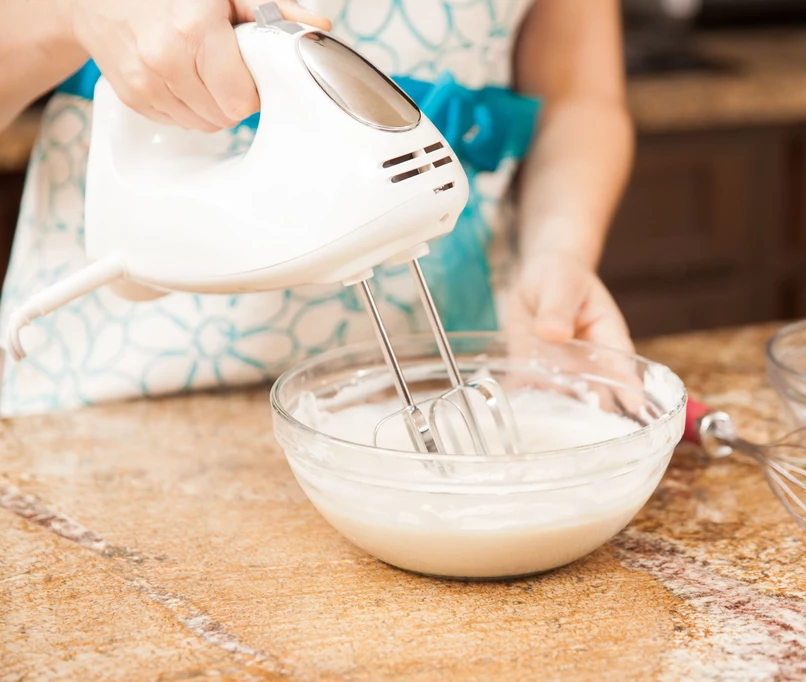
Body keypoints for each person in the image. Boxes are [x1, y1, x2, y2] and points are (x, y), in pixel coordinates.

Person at [0, 0, 634, 416]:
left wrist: (559, 251)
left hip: (441, 369)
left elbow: (577, 97)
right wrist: (72, 10)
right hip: (112, 389)